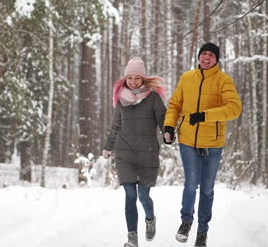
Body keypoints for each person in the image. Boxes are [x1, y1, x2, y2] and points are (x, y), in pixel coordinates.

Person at [163, 42, 242, 247]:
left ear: (216, 59)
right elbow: (175, 105)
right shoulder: (187, 78)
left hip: (213, 143)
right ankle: (186, 221)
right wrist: (169, 127)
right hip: (187, 139)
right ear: (199, 57)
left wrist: (205, 116)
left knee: (206, 188)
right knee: (191, 182)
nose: (206, 57)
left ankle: (202, 231)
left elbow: (234, 108)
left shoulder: (224, 80)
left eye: (211, 55)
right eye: (203, 53)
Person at [103, 57, 167, 247]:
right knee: (130, 195)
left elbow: (163, 121)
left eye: (137, 78)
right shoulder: (121, 100)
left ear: (143, 79)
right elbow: (115, 127)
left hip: (148, 155)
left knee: (143, 196)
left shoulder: (153, 98)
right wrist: (108, 146)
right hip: (125, 155)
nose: (132, 81)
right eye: (129, 77)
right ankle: (132, 238)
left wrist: (169, 134)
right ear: (125, 78)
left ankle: (150, 219)